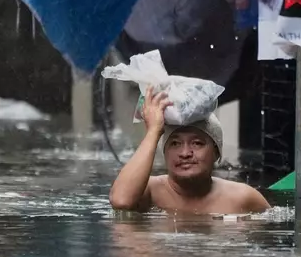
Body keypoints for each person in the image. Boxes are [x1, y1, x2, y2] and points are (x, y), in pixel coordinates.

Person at [109, 87, 271, 214]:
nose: (185, 153)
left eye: (197, 143)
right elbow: (121, 201)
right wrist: (153, 131)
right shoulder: (151, 192)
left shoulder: (242, 199)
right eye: (175, 144)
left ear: (216, 152)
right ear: (164, 152)